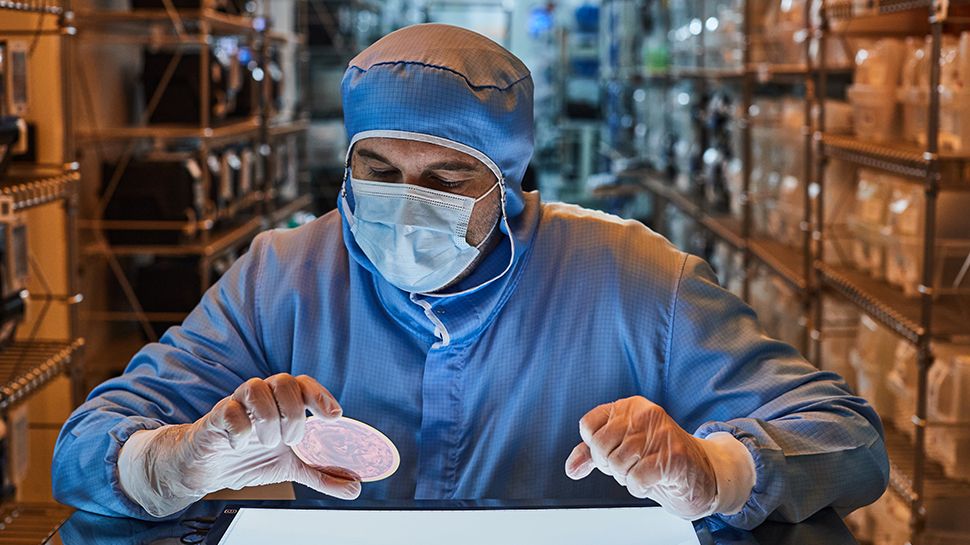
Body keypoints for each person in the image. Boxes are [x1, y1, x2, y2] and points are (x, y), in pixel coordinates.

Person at [52, 24, 889, 529]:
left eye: (447, 180)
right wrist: (179, 463)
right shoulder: (283, 276)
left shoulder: (634, 279)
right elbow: (85, 447)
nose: (406, 203)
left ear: (512, 183)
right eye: (376, 169)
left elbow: (847, 436)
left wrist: (715, 471)